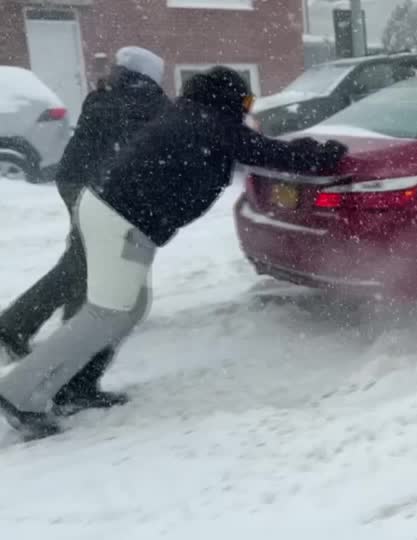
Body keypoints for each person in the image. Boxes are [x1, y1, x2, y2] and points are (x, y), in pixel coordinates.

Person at [0, 66, 349, 441]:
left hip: (111, 211)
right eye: (246, 101)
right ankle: (18, 392)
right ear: (228, 98)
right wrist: (322, 155)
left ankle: (76, 387)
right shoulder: (211, 122)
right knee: (107, 312)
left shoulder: (191, 114)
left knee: (129, 307)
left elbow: (252, 146)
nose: (246, 110)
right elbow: (265, 152)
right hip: (121, 221)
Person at [0, 46, 169, 416]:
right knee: (87, 269)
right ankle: (53, 353)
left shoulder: (107, 93)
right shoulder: (140, 100)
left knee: (82, 264)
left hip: (79, 182)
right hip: (96, 190)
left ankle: (29, 331)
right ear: (149, 76)